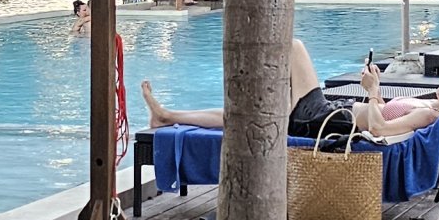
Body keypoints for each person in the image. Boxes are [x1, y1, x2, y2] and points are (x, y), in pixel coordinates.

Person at [142, 40, 338, 138]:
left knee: (294, 47)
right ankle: (167, 116)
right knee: (251, 114)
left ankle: (166, 116)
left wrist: (365, 94)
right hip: (325, 117)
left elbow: (364, 125)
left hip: (320, 119)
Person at [345, 56, 439, 141]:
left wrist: (372, 90)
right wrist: (375, 87)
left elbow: (378, 129)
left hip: (344, 121)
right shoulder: (433, 104)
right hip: (345, 111)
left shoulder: (429, 115)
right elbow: (386, 114)